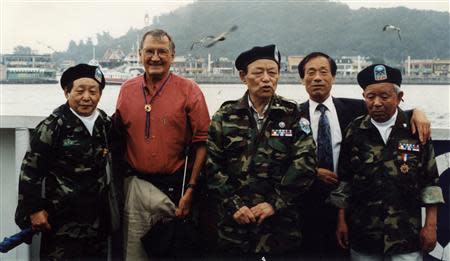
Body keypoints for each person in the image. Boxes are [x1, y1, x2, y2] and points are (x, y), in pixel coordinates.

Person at [297, 52, 432, 260]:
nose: (317, 78)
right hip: (309, 209)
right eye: (310, 72)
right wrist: (311, 171)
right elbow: (281, 158)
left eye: (323, 72)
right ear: (302, 78)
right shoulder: (291, 116)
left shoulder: (355, 110)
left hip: (365, 219)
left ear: (333, 77)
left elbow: (390, 107)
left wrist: (417, 111)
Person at [206, 44, 317, 258]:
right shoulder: (225, 116)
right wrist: (234, 205)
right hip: (235, 227)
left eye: (272, 73)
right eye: (258, 73)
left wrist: (275, 203)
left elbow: (305, 162)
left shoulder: (291, 114)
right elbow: (212, 166)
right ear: (242, 76)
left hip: (280, 226)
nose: (266, 79)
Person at [330, 64, 444, 260]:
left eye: (384, 96)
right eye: (370, 96)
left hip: (405, 236)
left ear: (399, 97)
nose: (376, 103)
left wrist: (431, 226)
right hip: (364, 234)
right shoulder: (354, 131)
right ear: (364, 97)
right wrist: (341, 220)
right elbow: (345, 182)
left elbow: (430, 183)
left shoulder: (416, 131)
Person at [114, 29, 210, 260]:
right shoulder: (127, 90)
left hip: (175, 191)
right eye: (149, 51)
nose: (155, 57)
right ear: (139, 54)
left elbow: (203, 144)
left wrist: (191, 189)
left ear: (172, 56)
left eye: (162, 52)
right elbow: (117, 137)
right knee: (133, 254)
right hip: (136, 187)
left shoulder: (189, 90)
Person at [15, 64, 111, 260]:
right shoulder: (53, 126)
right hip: (62, 224)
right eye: (79, 91)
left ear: (100, 94)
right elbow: (30, 172)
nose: (86, 97)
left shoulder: (104, 123)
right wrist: (34, 211)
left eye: (93, 91)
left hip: (96, 223)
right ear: (66, 92)